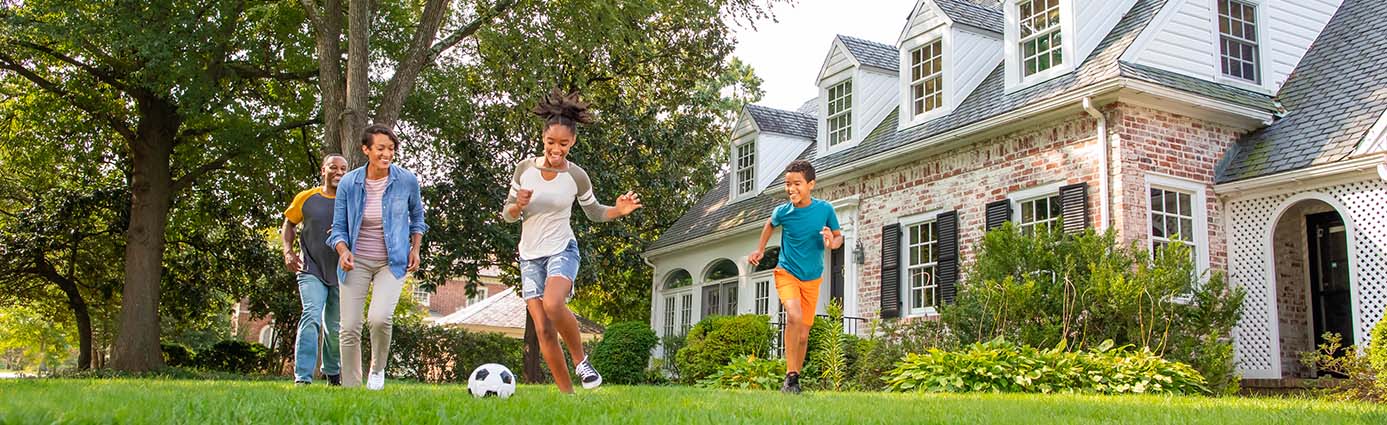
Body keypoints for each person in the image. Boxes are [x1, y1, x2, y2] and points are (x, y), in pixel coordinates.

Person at [501, 89, 642, 394]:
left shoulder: (577, 176)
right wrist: (517, 206)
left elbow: (593, 212)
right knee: (543, 329)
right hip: (529, 255)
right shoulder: (524, 170)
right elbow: (508, 214)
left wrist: (618, 210)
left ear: (573, 142)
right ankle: (568, 396)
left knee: (554, 303)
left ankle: (581, 361)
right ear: (543, 138)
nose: (556, 149)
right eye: (551, 142)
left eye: (563, 144)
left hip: (562, 249)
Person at [327, 125, 428, 390]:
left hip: (391, 261)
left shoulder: (406, 180)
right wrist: (343, 250)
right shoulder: (350, 183)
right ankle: (351, 387)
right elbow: (337, 228)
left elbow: (418, 218)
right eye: (381, 148)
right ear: (366, 150)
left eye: (391, 149)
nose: (387, 154)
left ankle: (377, 370)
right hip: (355, 260)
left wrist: (415, 248)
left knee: (380, 317)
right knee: (349, 326)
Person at [747, 159, 842, 394]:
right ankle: (790, 375)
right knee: (793, 316)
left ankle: (794, 380)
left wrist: (832, 242)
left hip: (812, 278)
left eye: (796, 184)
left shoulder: (825, 210)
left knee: (803, 334)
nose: (791, 189)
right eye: (787, 184)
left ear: (811, 184)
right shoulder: (783, 212)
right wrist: (760, 249)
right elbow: (769, 225)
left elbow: (838, 238)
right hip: (786, 271)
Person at [282, 154, 349, 386]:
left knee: (334, 327)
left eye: (343, 168)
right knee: (311, 316)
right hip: (310, 268)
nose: (338, 171)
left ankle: (332, 372)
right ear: (323, 170)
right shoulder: (307, 198)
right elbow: (289, 223)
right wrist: (288, 251)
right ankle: (303, 377)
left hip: (342, 272)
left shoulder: (351, 200)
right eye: (333, 167)